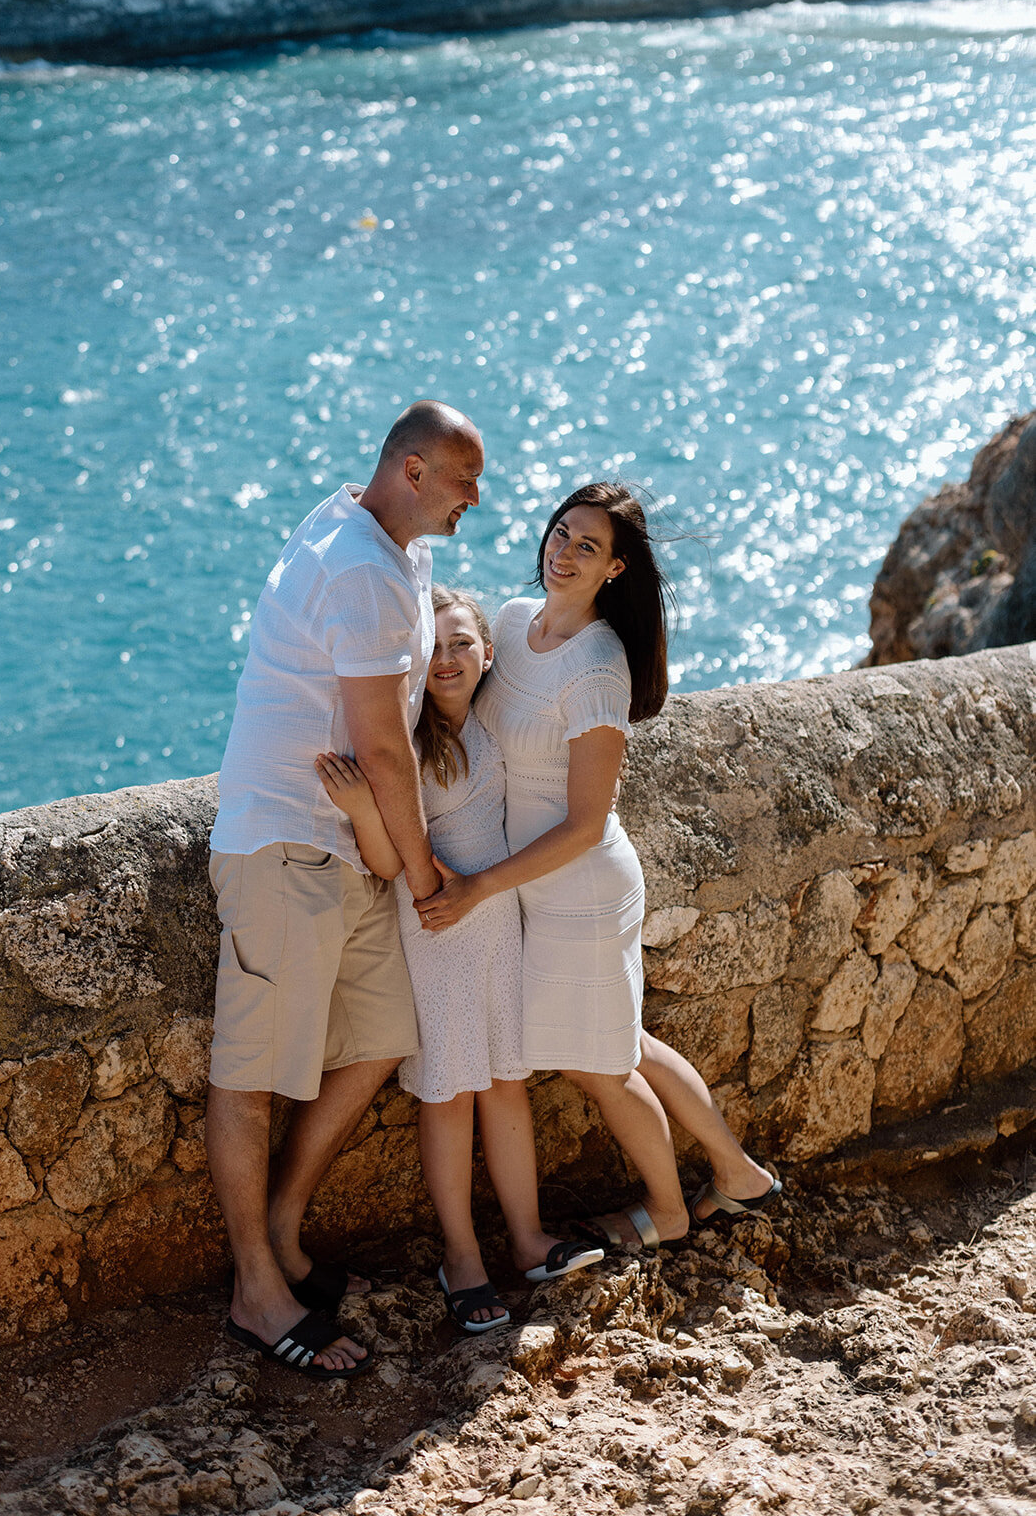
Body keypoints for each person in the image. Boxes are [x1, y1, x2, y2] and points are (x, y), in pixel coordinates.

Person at [416, 483, 780, 1252]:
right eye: (561, 532)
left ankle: (670, 1211)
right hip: (529, 889)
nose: (565, 551)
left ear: (615, 570)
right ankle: (737, 1173)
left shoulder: (598, 667)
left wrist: (478, 884)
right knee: (625, 1044)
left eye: (588, 546)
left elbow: (584, 825)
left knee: (602, 1066)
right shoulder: (511, 625)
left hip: (575, 890)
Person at [206, 400, 484, 1377]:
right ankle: (255, 1288)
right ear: (410, 471)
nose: (474, 499)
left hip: (343, 839)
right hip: (286, 842)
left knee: (379, 1039)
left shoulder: (372, 532)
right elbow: (378, 744)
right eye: (462, 479)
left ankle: (282, 1224)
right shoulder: (363, 568)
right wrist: (420, 871)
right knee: (249, 1074)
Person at [315, 586, 603, 1335]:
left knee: (507, 1085)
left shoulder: (493, 722)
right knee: (448, 1095)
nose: (446, 660)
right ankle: (462, 1259)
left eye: (461, 644)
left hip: (499, 921)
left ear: (486, 653)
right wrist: (362, 811)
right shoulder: (405, 743)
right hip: (440, 930)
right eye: (432, 647)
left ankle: (530, 1236)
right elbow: (386, 864)